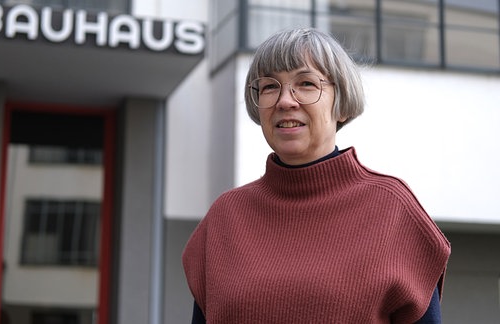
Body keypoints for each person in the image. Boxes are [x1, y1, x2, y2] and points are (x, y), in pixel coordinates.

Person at [182, 27, 450, 323]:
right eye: (270, 87)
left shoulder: (393, 210)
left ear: (342, 103)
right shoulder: (225, 217)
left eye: (306, 83)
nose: (285, 101)